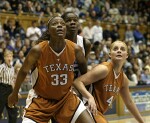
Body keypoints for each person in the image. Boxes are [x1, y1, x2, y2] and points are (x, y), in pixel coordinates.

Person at [8, 15, 95, 123]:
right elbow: (23, 71)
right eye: (55, 24)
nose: (59, 26)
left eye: (62, 24)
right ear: (48, 30)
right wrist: (15, 93)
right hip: (41, 99)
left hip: (66, 98)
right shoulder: (38, 50)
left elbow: (84, 70)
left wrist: (85, 92)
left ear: (65, 29)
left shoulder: (75, 49)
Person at [73, 40, 145, 123]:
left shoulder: (123, 79)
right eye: (115, 49)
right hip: (85, 107)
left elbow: (129, 103)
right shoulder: (104, 69)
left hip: (98, 112)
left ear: (127, 55)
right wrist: (89, 97)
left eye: (122, 49)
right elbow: (77, 82)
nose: (119, 50)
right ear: (110, 54)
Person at [0, 49, 18, 123]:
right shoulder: (1, 67)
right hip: (2, 88)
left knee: (13, 112)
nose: (9, 58)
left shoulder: (12, 68)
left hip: (10, 90)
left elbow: (12, 81)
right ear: (4, 58)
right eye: (8, 56)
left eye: (11, 56)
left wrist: (15, 92)